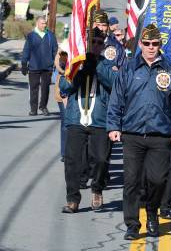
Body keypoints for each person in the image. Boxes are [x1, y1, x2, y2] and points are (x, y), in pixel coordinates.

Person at [107, 24, 171, 239]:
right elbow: (116, 98)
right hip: (132, 134)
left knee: (158, 180)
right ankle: (132, 225)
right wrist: (114, 126)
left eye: (155, 44)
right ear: (140, 44)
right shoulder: (129, 68)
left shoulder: (170, 70)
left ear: (160, 45)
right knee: (131, 182)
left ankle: (152, 213)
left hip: (160, 135)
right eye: (147, 44)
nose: (151, 48)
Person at [60, 28, 117, 214]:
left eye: (100, 43)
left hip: (99, 121)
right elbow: (64, 87)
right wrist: (78, 69)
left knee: (101, 159)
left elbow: (114, 83)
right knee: (72, 161)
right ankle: (72, 199)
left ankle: (97, 189)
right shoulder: (76, 63)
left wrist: (97, 66)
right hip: (77, 119)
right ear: (86, 43)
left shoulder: (107, 65)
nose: (96, 45)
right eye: (93, 42)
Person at [21, 16, 58, 116]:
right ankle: (33, 109)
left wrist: (56, 62)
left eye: (45, 23)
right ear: (37, 23)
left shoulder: (50, 35)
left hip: (47, 67)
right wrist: (24, 63)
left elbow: (55, 50)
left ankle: (43, 107)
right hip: (34, 66)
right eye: (42, 23)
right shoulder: (31, 36)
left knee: (45, 88)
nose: (44, 25)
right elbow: (26, 50)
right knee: (34, 88)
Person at [54, 40, 69, 161]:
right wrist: (64, 71)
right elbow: (57, 62)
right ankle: (64, 152)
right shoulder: (66, 44)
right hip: (64, 87)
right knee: (65, 122)